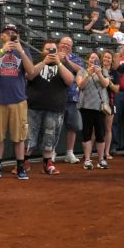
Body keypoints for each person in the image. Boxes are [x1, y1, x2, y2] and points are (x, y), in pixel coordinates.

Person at [0, 24, 35, 180]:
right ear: (2, 35)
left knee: (19, 137)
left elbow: (31, 73)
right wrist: (2, 50)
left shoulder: (24, 51)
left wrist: (21, 51)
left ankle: (20, 166)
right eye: (7, 33)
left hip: (18, 100)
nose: (10, 35)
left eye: (13, 33)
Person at [23, 39, 75, 175]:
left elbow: (70, 80)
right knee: (29, 137)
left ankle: (47, 164)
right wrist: (44, 62)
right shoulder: (36, 62)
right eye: (47, 49)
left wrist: (59, 63)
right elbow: (29, 75)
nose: (50, 52)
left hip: (55, 108)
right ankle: (24, 162)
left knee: (50, 138)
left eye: (53, 50)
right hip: (33, 107)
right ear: (42, 51)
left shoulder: (63, 64)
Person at [76, 52, 113, 169]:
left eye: (96, 58)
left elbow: (106, 84)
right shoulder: (82, 71)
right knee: (86, 134)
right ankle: (87, 160)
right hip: (85, 107)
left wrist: (99, 73)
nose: (93, 60)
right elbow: (80, 85)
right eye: (92, 58)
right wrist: (89, 74)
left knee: (100, 134)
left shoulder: (103, 71)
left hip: (99, 108)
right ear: (88, 59)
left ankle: (101, 159)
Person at [58, 36, 85, 163]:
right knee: (53, 126)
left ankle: (69, 153)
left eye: (68, 45)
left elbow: (82, 71)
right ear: (59, 44)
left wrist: (67, 61)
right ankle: (51, 152)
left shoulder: (76, 59)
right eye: (64, 43)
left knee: (72, 126)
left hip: (72, 97)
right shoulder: (53, 56)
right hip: (56, 97)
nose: (66, 46)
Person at [101, 50, 120, 160]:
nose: (106, 59)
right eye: (105, 57)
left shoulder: (114, 73)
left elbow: (116, 89)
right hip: (96, 102)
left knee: (108, 128)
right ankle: (90, 152)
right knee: (95, 128)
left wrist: (108, 81)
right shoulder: (97, 69)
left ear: (112, 60)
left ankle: (106, 152)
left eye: (109, 57)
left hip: (110, 102)